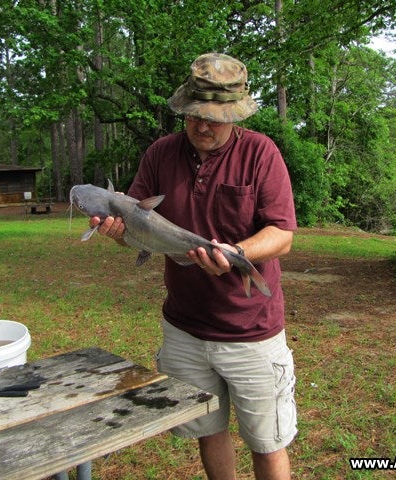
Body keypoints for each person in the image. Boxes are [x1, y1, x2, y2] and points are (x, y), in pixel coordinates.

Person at [90, 53, 298, 480]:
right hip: (183, 329)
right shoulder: (161, 153)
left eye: (215, 118)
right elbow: (137, 224)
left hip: (251, 333)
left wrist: (236, 252)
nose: (202, 126)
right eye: (194, 115)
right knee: (208, 429)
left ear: (235, 115)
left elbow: (282, 233)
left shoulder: (261, 152)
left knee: (268, 441)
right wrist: (118, 233)